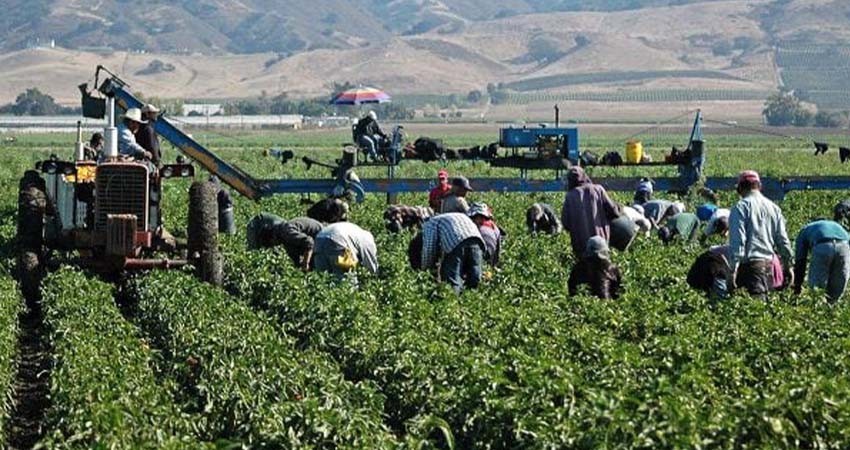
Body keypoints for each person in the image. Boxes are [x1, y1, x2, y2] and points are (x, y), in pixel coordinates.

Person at [727, 170, 794, 298]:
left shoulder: (740, 207)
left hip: (749, 268)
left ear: (740, 188)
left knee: (752, 310)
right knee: (765, 311)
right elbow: (782, 240)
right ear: (759, 186)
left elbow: (738, 241)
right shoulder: (774, 208)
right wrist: (787, 265)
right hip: (769, 267)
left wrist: (733, 270)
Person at [411, 213, 485, 293]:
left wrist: (425, 270)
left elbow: (429, 249)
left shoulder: (429, 225)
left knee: (453, 279)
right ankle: (471, 299)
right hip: (476, 240)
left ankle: (454, 302)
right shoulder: (448, 218)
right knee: (474, 276)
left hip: (455, 241)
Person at [561, 166, 620, 256]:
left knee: (585, 268)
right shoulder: (598, 189)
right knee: (603, 266)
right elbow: (613, 211)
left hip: (580, 245)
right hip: (601, 241)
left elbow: (565, 223)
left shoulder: (570, 196)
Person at [793, 219, 850, 302]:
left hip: (822, 245)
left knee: (817, 288)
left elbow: (800, 261)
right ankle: (832, 308)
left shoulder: (805, 229)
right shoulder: (837, 226)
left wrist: (797, 287)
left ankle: (817, 307)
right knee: (837, 287)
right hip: (844, 247)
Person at [246, 213, 324, 270]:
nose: (274, 246)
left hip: (323, 237)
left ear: (273, 238)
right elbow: (295, 259)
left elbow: (309, 243)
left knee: (320, 265)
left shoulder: (286, 232)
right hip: (317, 242)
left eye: (271, 244)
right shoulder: (285, 240)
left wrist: (305, 263)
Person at [313, 221, 378, 280]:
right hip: (338, 239)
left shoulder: (358, 232)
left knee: (323, 277)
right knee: (346, 280)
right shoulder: (368, 241)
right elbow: (370, 262)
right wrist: (374, 276)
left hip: (319, 238)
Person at [468, 203, 503, 267]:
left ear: (478, 217)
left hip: (482, 258)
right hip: (491, 259)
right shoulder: (494, 227)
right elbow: (498, 250)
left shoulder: (479, 230)